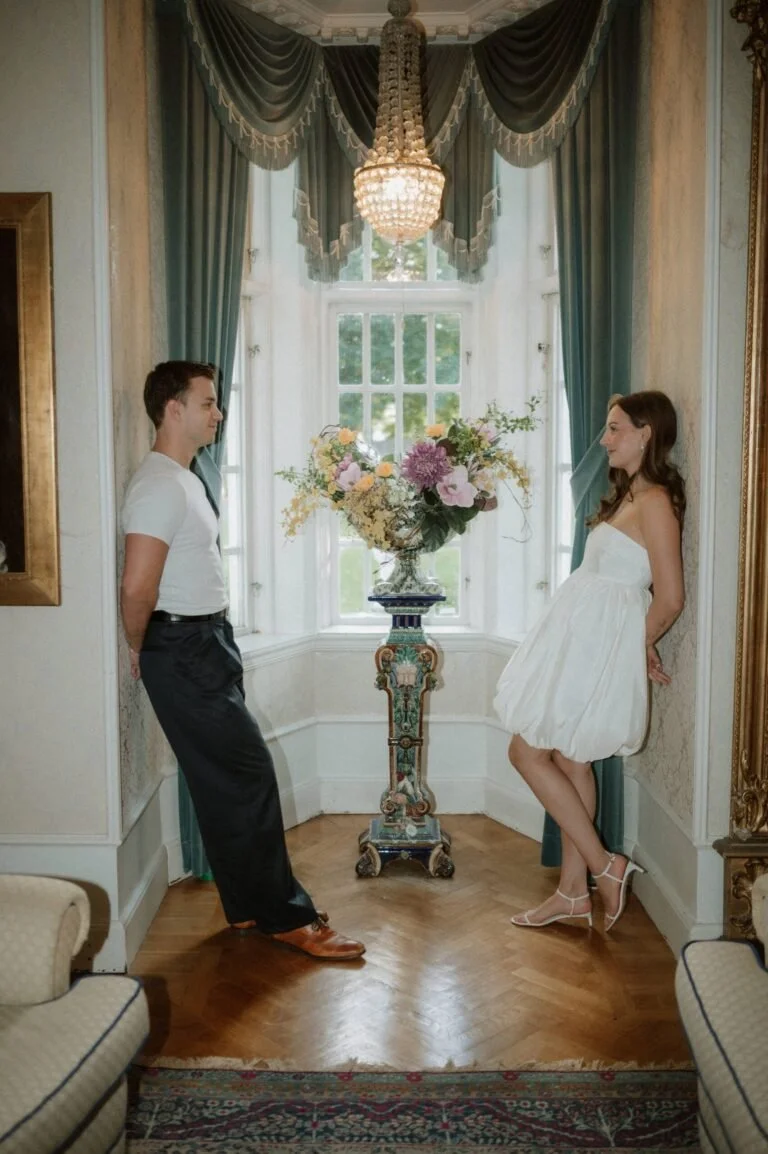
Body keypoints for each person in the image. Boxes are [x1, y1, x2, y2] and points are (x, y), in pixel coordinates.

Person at [120, 360, 365, 961]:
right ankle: (286, 916)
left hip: (200, 644)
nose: (218, 413)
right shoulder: (157, 485)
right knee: (250, 776)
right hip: (181, 648)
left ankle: (245, 906)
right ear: (173, 408)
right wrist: (136, 645)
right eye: (207, 402)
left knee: (221, 782)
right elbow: (136, 588)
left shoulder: (178, 479)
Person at [494, 391, 685, 932]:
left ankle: (605, 866)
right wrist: (641, 644)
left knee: (525, 752)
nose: (604, 439)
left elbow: (669, 597)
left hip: (596, 649)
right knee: (573, 760)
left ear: (646, 433)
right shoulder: (631, 494)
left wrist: (633, 647)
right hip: (580, 640)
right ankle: (573, 892)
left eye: (614, 428)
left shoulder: (654, 503)